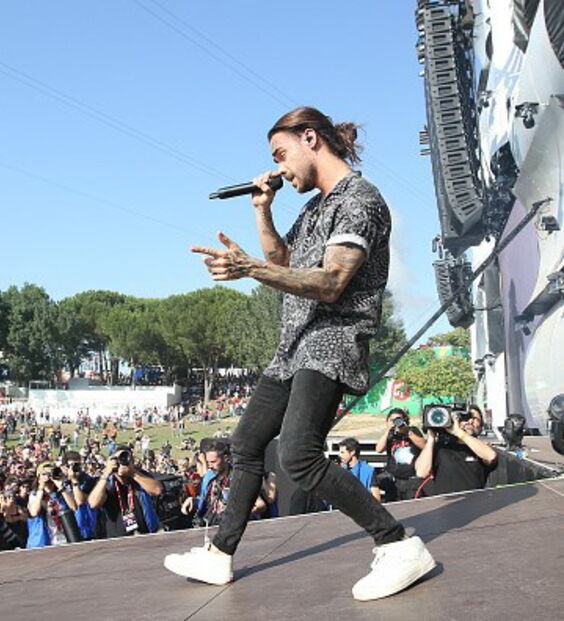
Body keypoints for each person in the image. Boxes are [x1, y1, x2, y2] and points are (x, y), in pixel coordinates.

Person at [164, 106, 436, 601]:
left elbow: (331, 282)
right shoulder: (313, 208)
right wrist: (262, 210)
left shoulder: (360, 200)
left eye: (280, 154)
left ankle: (397, 544)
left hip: (330, 340)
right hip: (292, 345)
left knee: (298, 455)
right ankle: (220, 555)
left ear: (310, 138)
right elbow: (282, 263)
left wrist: (247, 268)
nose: (280, 167)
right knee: (245, 444)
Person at [415, 406, 498, 496]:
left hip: (475, 504)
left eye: (474, 419)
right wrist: (431, 438)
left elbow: (491, 456)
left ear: (481, 424)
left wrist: (459, 432)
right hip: (447, 505)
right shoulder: (441, 448)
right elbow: (421, 472)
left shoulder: (481, 447)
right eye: (464, 418)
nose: (469, 421)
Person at [88, 447, 162, 538]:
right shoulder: (106, 482)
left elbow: (157, 490)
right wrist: (107, 472)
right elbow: (93, 503)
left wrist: (133, 473)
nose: (121, 462)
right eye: (117, 459)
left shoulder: (140, 475)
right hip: (117, 540)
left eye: (125, 458)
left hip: (145, 536)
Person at [376, 408, 426, 501]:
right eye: (392, 420)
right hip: (394, 480)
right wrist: (388, 430)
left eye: (398, 419)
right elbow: (379, 449)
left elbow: (424, 445)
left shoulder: (412, 431)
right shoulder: (390, 435)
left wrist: (407, 432)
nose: (395, 422)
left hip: (411, 479)